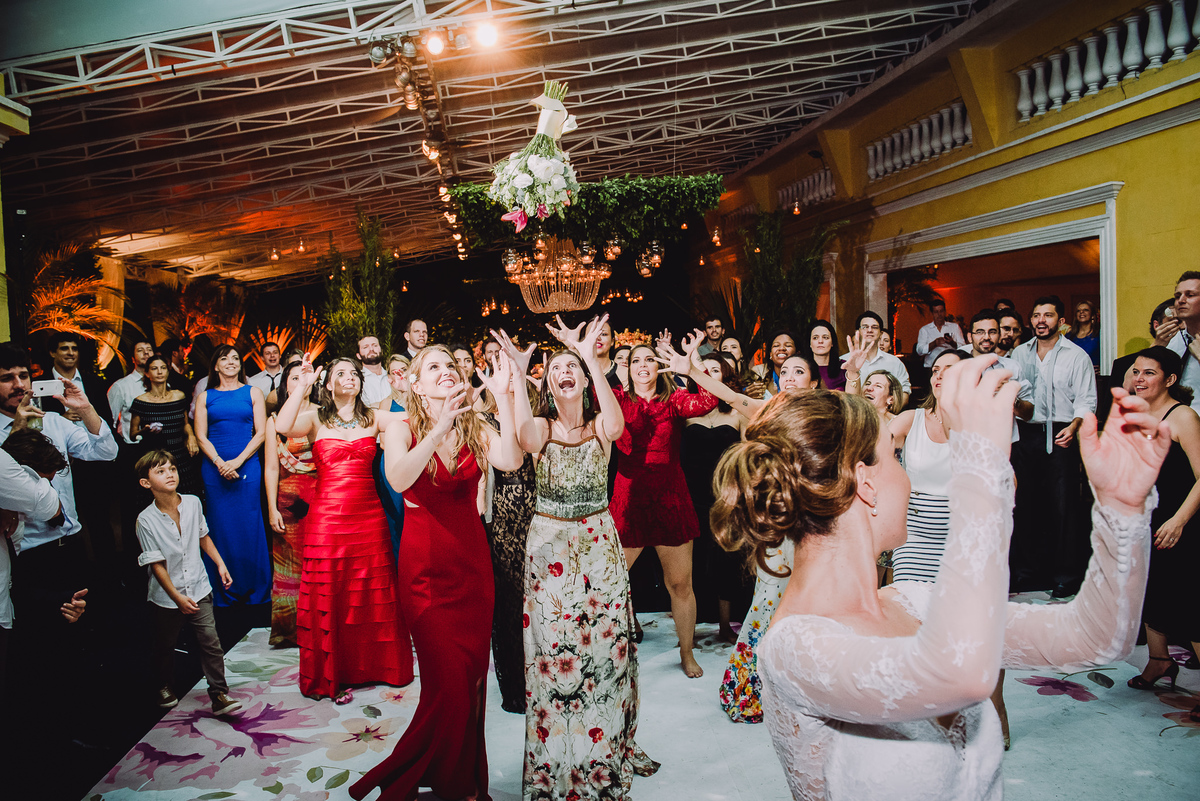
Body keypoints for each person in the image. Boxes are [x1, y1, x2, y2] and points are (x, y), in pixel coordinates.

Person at [711, 358, 1167, 801]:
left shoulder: (913, 598)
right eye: (895, 457)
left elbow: (1096, 638)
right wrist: (979, 467)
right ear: (864, 483)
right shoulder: (796, 646)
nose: (906, 475)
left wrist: (1122, 513)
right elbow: (959, 674)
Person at [494, 315, 661, 798]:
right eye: (557, 367)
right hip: (548, 546)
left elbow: (618, 422)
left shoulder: (600, 425)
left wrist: (588, 356)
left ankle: (606, 747)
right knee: (553, 653)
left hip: (597, 543)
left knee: (606, 650)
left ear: (584, 380)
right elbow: (524, 438)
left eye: (573, 368)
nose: (564, 371)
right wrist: (522, 376)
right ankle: (556, 761)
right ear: (548, 382)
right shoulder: (541, 427)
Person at [351, 345, 522, 801]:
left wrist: (505, 395)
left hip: (473, 571)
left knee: (470, 684)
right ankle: (439, 779)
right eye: (434, 368)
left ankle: (460, 780)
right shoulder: (399, 428)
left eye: (450, 365)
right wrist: (438, 428)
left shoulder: (475, 425)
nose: (445, 372)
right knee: (447, 685)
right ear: (415, 383)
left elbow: (511, 461)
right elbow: (400, 479)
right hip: (425, 575)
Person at [274, 355, 414, 701]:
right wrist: (303, 385)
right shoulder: (314, 419)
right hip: (327, 521)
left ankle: (378, 667)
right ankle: (335, 672)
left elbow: (415, 420)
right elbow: (282, 426)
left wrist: (411, 389)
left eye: (354, 373)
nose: (349, 378)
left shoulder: (375, 417)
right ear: (328, 384)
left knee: (371, 590)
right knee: (331, 592)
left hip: (368, 516)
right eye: (341, 373)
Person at [611, 336, 717, 678]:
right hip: (629, 499)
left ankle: (686, 654)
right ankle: (609, 653)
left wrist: (693, 366)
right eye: (636, 360)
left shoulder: (674, 400)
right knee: (610, 585)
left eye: (649, 359)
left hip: (670, 498)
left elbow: (710, 399)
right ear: (626, 368)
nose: (643, 365)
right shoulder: (615, 399)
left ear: (659, 367)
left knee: (680, 584)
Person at [133, 450, 243, 716]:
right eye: (160, 471)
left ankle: (219, 694)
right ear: (145, 483)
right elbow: (155, 564)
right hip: (166, 595)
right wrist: (177, 598)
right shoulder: (145, 520)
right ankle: (163, 685)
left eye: (172, 468)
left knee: (210, 641)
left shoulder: (193, 503)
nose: (169, 474)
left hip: (199, 586)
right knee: (165, 644)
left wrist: (220, 563)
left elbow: (202, 535)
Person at [1125, 347, 1200, 723]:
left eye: (1149, 373)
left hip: (1181, 521)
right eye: (1136, 372)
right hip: (1146, 520)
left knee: (1189, 604)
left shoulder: (1182, 416)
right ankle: (1159, 663)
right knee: (1149, 593)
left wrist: (1179, 521)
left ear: (1170, 380)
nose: (1139, 379)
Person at [1008, 296, 1097, 596]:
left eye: (1048, 315)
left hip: (1062, 433)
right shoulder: (1018, 354)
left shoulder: (1076, 356)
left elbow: (1087, 400)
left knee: (1063, 507)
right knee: (1026, 505)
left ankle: (1066, 575)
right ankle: (1029, 573)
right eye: (1036, 315)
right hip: (1025, 434)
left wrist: (1074, 427)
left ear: (1060, 320)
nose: (1041, 321)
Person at [193, 345, 271, 607]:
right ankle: (223, 588)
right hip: (214, 469)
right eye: (224, 358)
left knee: (250, 524)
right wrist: (219, 462)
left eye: (235, 358)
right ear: (215, 366)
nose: (231, 362)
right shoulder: (206, 397)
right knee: (220, 525)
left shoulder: (254, 392)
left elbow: (261, 433)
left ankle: (255, 589)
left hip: (247, 465)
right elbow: (200, 436)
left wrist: (237, 461)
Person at [682, 352, 748, 643]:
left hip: (727, 496)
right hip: (690, 495)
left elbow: (747, 456)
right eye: (702, 370)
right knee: (691, 563)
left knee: (726, 562)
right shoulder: (685, 411)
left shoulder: (736, 413)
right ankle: (690, 627)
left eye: (715, 371)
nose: (708, 375)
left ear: (726, 377)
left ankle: (724, 625)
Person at [41, 331, 117, 557]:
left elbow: (106, 420)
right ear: (53, 352)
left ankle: (108, 578)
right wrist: (59, 420)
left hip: (92, 463)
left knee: (100, 522)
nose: (70, 353)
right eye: (64, 348)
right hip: (56, 468)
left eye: (74, 349)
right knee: (61, 522)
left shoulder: (93, 383)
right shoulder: (40, 386)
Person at [263, 362, 318, 647]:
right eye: (294, 378)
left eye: (305, 377)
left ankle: (323, 623)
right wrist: (272, 507)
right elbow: (272, 468)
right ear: (285, 385)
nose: (300, 382)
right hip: (289, 502)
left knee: (321, 561)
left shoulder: (324, 415)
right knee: (289, 567)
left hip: (323, 497)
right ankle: (290, 630)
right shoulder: (275, 421)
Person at [130, 354, 202, 496]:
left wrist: (192, 436)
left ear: (168, 372)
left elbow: (186, 423)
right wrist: (144, 430)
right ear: (147, 373)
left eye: (163, 368)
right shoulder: (140, 401)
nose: (159, 371)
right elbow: (132, 435)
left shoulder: (179, 396)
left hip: (179, 455)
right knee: (158, 498)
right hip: (154, 458)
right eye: (154, 368)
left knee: (185, 495)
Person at [841, 312, 910, 403]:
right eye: (865, 327)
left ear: (881, 334)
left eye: (874, 327)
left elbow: (904, 393)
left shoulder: (895, 362)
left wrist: (886, 412)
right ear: (857, 332)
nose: (869, 330)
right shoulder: (844, 361)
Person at [1162, 271, 1200, 413]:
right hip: (1175, 422)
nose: (1181, 301)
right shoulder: (1174, 340)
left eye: (1190, 295)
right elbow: (1128, 384)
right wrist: (1157, 346)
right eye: (1178, 296)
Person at [107, 338, 155, 443]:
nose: (146, 352)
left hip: (158, 445)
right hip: (133, 446)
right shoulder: (120, 386)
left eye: (149, 349)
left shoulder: (162, 384)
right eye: (140, 350)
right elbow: (110, 421)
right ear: (133, 359)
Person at [915, 298, 966, 368]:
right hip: (931, 367)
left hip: (952, 366)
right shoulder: (925, 330)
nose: (939, 315)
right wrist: (934, 343)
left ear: (945, 312)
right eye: (936, 312)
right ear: (932, 313)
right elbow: (919, 351)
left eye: (941, 311)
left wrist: (952, 343)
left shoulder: (954, 327)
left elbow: (964, 348)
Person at [356, 334, 391, 407]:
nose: (371, 349)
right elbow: (364, 410)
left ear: (381, 351)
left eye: (375, 345)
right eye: (365, 347)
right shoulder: (357, 380)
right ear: (358, 356)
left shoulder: (392, 376)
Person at [809, 320, 845, 391]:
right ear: (810, 343)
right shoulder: (802, 367)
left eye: (825, 337)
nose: (820, 341)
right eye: (815, 338)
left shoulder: (844, 367)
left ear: (832, 343)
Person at [247, 341, 285, 406]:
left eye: (275, 352)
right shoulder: (252, 381)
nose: (272, 356)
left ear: (280, 355)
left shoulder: (289, 376)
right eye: (268, 353)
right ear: (262, 357)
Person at [1068, 300, 1100, 371]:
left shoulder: (1099, 335)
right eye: (1078, 311)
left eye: (1085, 310)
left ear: (1092, 315)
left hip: (1094, 376)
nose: (1081, 312)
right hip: (1073, 375)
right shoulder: (1069, 336)